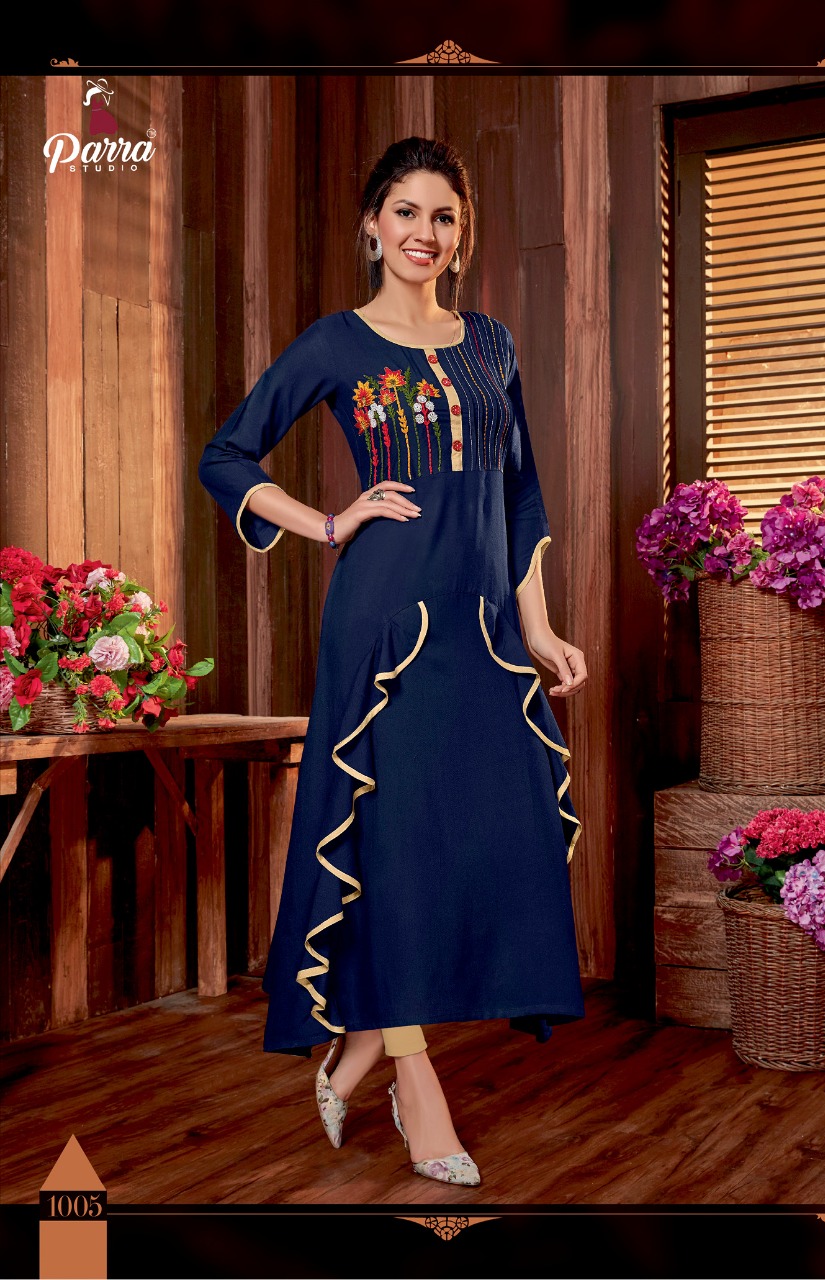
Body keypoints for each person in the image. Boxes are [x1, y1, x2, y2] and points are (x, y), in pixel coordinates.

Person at [198, 137, 588, 1188]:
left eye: (443, 216)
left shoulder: (491, 344)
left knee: (489, 834)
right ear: (373, 224)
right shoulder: (336, 342)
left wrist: (538, 626)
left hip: (482, 629)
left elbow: (518, 495)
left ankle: (361, 1043)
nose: (425, 233)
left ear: (462, 233)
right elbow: (225, 455)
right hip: (384, 627)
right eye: (406, 212)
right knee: (392, 845)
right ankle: (416, 1081)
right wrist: (330, 523)